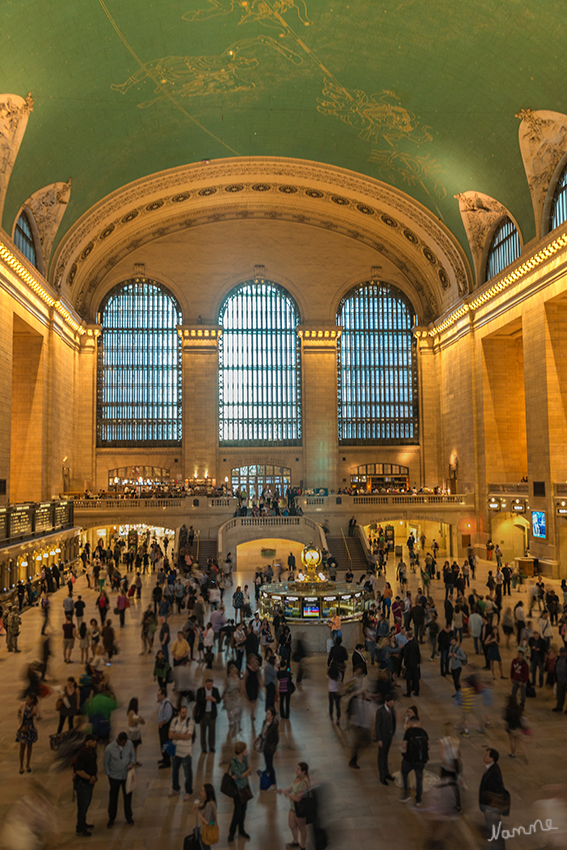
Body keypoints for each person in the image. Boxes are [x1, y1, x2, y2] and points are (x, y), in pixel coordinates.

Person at [104, 731, 135, 827]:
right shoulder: (109, 748)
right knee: (113, 798)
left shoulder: (129, 744)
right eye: (123, 743)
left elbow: (132, 756)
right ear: (119, 741)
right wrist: (109, 774)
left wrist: (131, 763)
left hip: (126, 776)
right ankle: (111, 818)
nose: (125, 744)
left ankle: (128, 816)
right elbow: (106, 763)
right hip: (114, 777)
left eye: (126, 742)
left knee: (128, 797)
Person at [479, 748, 507, 850]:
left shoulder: (493, 772)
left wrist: (489, 808)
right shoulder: (492, 768)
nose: (484, 756)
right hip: (490, 807)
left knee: (495, 829)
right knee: (493, 829)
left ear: (492, 759)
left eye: (487, 755)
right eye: (485, 754)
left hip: (492, 807)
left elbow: (493, 792)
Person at [278, 762, 310, 850]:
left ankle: (302, 846)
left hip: (300, 809)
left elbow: (298, 798)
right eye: (296, 768)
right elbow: (292, 787)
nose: (296, 770)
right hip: (293, 807)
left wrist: (287, 795)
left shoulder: (304, 783)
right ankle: (295, 842)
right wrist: (284, 790)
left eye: (298, 769)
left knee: (302, 828)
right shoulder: (298, 777)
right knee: (291, 825)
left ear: (304, 772)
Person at [399, 715, 429, 806]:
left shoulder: (409, 732)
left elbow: (403, 745)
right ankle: (418, 799)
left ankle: (406, 793)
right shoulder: (424, 732)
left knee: (404, 772)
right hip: (420, 760)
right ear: (418, 723)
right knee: (419, 779)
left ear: (411, 723)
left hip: (410, 759)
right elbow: (428, 746)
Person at [168, 703, 195, 800]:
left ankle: (188, 791)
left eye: (185, 712)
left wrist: (177, 734)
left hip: (186, 753)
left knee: (187, 774)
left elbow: (188, 736)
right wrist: (182, 735)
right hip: (176, 752)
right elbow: (170, 735)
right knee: (174, 771)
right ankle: (175, 788)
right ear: (179, 713)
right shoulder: (174, 721)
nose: (185, 714)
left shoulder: (190, 721)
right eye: (183, 712)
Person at [73, 733, 98, 836]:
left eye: (95, 741)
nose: (95, 743)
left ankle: (83, 823)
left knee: (86, 805)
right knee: (82, 807)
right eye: (92, 741)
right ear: (86, 742)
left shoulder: (92, 752)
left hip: (88, 784)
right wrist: (90, 777)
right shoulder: (83, 754)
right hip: (82, 785)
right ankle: (80, 829)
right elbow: (78, 771)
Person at [228, 741, 252, 842]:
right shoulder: (233, 762)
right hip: (237, 791)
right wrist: (245, 773)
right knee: (237, 813)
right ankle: (232, 833)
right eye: (245, 749)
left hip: (244, 788)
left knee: (243, 812)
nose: (246, 750)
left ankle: (241, 830)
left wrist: (243, 774)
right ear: (240, 751)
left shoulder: (245, 758)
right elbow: (240, 775)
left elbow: (247, 773)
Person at [255, 706, 279, 788]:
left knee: (270, 765)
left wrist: (272, 747)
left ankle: (273, 782)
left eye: (269, 714)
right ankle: (269, 780)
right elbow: (263, 733)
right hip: (264, 746)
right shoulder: (264, 722)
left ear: (272, 716)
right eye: (266, 713)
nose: (267, 715)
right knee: (267, 764)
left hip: (269, 748)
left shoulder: (273, 726)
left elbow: (276, 739)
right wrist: (258, 738)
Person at [375, 694, 396, 785]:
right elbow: (377, 726)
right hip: (382, 737)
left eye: (392, 702)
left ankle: (386, 772)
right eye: (390, 703)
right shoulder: (380, 711)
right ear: (386, 702)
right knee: (381, 755)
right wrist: (379, 739)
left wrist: (392, 732)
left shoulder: (392, 710)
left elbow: (393, 722)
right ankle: (382, 775)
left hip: (389, 736)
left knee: (386, 754)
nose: (392, 704)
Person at [196, 678, 221, 753]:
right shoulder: (200, 691)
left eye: (211, 685)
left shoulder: (215, 690)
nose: (209, 686)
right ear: (205, 684)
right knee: (203, 732)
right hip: (203, 714)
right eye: (208, 685)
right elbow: (198, 700)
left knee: (212, 732)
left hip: (212, 714)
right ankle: (204, 747)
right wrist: (205, 699)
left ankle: (212, 746)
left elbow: (219, 700)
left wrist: (215, 700)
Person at [16, 693, 39, 774]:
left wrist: (35, 714)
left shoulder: (35, 706)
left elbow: (37, 717)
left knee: (29, 746)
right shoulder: (22, 705)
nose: (26, 700)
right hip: (23, 728)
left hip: (31, 728)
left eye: (28, 699)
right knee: (22, 746)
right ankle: (21, 765)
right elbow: (18, 717)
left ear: (32, 700)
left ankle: (28, 764)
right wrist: (18, 714)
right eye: (26, 699)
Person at [194, 783, 218, 850]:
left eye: (202, 791)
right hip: (210, 826)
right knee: (195, 830)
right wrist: (199, 806)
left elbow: (207, 822)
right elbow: (203, 805)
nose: (200, 792)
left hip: (206, 830)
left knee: (205, 846)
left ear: (207, 793)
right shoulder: (210, 801)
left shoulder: (209, 805)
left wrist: (199, 815)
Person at [157, 688, 175, 768]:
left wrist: (162, 723)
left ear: (163, 695)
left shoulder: (167, 704)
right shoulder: (161, 703)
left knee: (166, 743)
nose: (157, 696)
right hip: (161, 726)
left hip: (165, 727)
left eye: (159, 695)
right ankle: (164, 758)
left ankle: (167, 761)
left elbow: (167, 716)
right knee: (162, 743)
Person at [126, 697, 146, 766]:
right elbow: (130, 723)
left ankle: (134, 760)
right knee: (131, 747)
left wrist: (141, 720)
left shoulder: (135, 712)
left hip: (136, 732)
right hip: (132, 733)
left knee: (135, 747)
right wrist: (137, 722)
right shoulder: (131, 712)